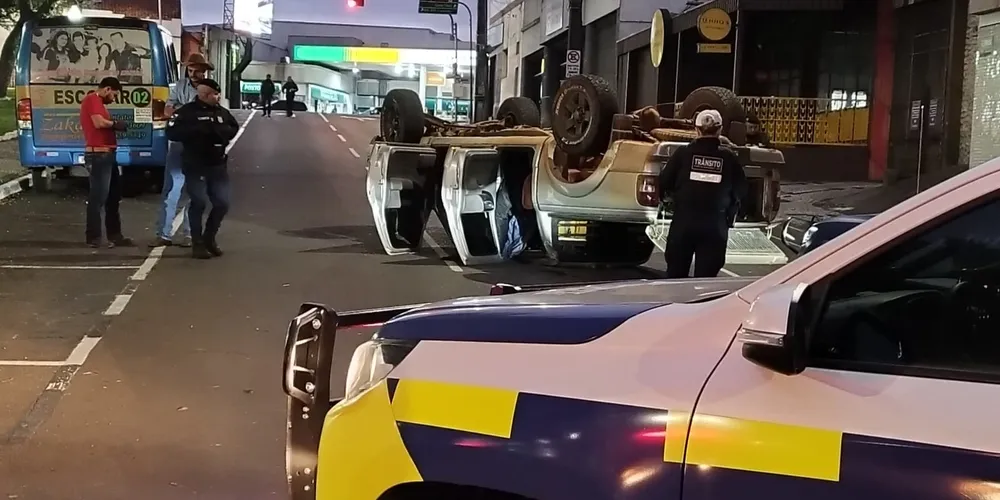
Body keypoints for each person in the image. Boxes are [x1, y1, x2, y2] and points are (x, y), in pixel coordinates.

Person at [658, 109, 746, 279]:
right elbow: (741, 190)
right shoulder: (729, 158)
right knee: (706, 282)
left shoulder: (683, 154)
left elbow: (663, 182)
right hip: (715, 226)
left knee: (675, 278)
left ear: (696, 130)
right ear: (720, 130)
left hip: (683, 224)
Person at [166, 79, 239, 259]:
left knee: (222, 203)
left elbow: (233, 127)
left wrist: (219, 134)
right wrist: (197, 131)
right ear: (205, 95)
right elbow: (172, 132)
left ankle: (209, 238)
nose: (218, 97)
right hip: (195, 164)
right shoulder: (187, 112)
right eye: (215, 94)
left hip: (217, 165)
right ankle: (197, 243)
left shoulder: (221, 112)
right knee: (198, 202)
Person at [149, 53, 214, 249]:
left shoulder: (210, 89)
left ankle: (189, 234)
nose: (193, 73)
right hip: (179, 144)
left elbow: (209, 112)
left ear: (204, 71)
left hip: (199, 147)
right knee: (172, 189)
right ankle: (164, 233)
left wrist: (183, 111)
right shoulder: (180, 86)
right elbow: (168, 110)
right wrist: (190, 113)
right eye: (190, 70)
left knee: (194, 193)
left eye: (197, 70)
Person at [80, 76, 134, 248]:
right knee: (98, 197)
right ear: (107, 89)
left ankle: (115, 235)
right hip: (98, 156)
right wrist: (115, 124)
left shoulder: (100, 104)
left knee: (113, 197)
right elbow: (98, 123)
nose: (114, 99)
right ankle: (94, 237)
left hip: (108, 155)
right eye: (114, 95)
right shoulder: (92, 99)